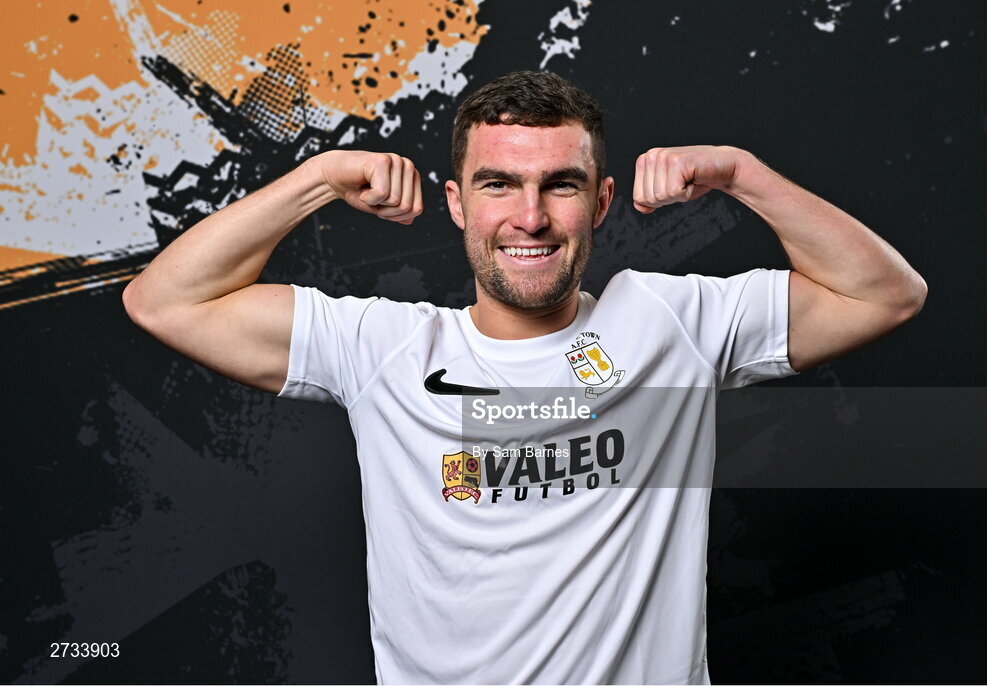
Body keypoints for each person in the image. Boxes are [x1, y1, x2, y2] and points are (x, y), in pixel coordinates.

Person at [122, 71, 926, 683]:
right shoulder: (382, 347)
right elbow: (165, 301)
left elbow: (886, 293)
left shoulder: (672, 323)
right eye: (498, 184)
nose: (531, 216)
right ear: (456, 204)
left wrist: (743, 174)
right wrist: (322, 177)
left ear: (602, 200)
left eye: (560, 185)